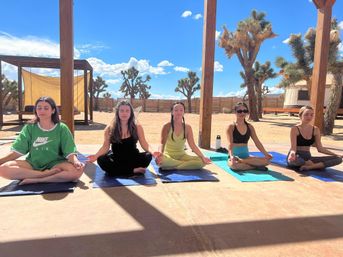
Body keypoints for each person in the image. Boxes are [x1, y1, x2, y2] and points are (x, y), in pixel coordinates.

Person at [0, 96, 84, 185]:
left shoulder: (62, 128)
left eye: (46, 108)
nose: (42, 111)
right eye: (39, 108)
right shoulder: (29, 127)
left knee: (77, 171)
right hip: (32, 164)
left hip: (55, 164)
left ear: (53, 110)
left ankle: (37, 180)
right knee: (3, 169)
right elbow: (18, 151)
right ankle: (42, 174)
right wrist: (1, 161)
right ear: (36, 110)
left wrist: (76, 161)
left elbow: (69, 151)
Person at [87, 100, 152, 177]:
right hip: (117, 159)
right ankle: (133, 170)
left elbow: (144, 143)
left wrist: (154, 153)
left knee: (148, 155)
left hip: (133, 158)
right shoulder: (110, 128)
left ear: (131, 113)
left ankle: (121, 171)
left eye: (127, 111)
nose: (124, 113)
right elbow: (105, 147)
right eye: (122, 111)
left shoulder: (137, 126)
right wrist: (96, 156)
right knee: (101, 160)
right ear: (117, 112)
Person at [154, 102, 211, 170]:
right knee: (161, 162)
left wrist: (202, 157)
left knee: (202, 162)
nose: (179, 112)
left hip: (182, 156)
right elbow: (162, 143)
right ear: (172, 112)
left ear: (184, 112)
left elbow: (192, 145)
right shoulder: (167, 126)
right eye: (176, 110)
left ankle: (174, 166)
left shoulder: (187, 127)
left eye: (181, 110)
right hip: (168, 156)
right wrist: (160, 155)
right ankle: (183, 165)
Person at [287, 105, 342, 171]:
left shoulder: (315, 129)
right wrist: (292, 154)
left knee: (338, 159)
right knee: (296, 161)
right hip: (297, 156)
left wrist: (336, 154)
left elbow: (320, 148)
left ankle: (310, 166)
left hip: (308, 157)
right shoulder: (295, 129)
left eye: (311, 115)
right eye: (306, 114)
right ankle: (308, 164)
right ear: (300, 116)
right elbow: (293, 148)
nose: (309, 117)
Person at [227, 102, 272, 171]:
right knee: (233, 165)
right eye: (239, 111)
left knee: (267, 161)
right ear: (235, 112)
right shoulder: (231, 127)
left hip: (246, 157)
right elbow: (230, 144)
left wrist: (266, 154)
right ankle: (254, 167)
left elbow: (257, 142)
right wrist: (231, 156)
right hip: (234, 156)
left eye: (245, 111)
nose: (242, 113)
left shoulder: (250, 127)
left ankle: (243, 162)